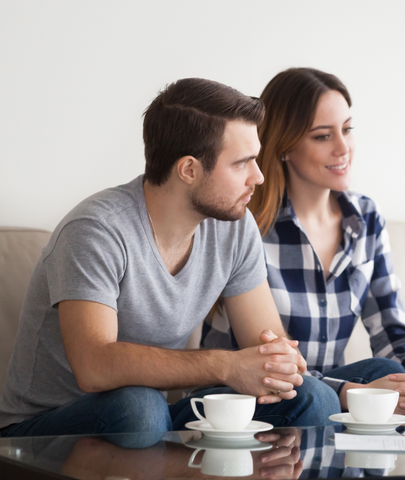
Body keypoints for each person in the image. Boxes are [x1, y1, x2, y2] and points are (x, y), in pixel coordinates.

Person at [0, 78, 340, 438]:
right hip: (44, 431)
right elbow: (94, 367)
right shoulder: (95, 230)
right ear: (189, 170)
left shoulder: (234, 227)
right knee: (139, 408)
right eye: (243, 163)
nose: (258, 177)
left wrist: (281, 366)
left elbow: (264, 346)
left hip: (150, 423)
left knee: (312, 399)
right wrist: (226, 366)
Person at [202, 68, 405, 428]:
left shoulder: (364, 218)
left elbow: (390, 325)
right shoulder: (245, 225)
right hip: (253, 395)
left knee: (390, 372)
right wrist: (347, 391)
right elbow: (265, 361)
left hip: (321, 393)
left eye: (347, 129)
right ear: (284, 146)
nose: (343, 148)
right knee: (313, 397)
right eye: (322, 136)